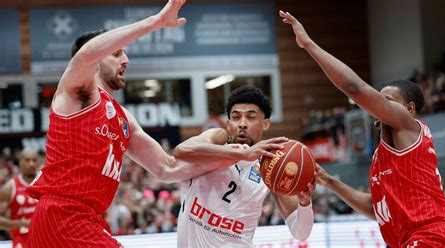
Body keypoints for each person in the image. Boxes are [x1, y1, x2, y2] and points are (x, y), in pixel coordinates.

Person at [25, 1, 280, 247]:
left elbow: (167, 168)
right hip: (63, 215)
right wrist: (155, 22)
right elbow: (87, 53)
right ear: (97, 59)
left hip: (86, 219)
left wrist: (237, 155)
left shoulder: (123, 118)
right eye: (116, 54)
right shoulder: (77, 94)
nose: (126, 60)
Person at [279, 10, 445, 247]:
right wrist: (327, 180)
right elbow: (377, 209)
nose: (379, 105)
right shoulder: (382, 156)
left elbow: (354, 88)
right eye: (380, 99)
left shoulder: (408, 123)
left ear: (410, 108)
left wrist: (308, 44)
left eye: (388, 100)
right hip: (412, 240)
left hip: (430, 238)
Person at [173, 85, 317, 247]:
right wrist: (242, 154)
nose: (242, 123)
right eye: (235, 117)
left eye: (251, 117)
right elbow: (181, 151)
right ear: (228, 124)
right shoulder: (216, 140)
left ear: (266, 123)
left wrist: (304, 203)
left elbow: (301, 233)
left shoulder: (271, 166)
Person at [0, 149, 40, 248]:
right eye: (27, 160)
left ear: (39, 162)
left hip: (45, 240)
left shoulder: (47, 184)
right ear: (20, 162)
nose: (31, 164)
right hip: (21, 242)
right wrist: (20, 223)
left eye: (34, 160)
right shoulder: (10, 187)